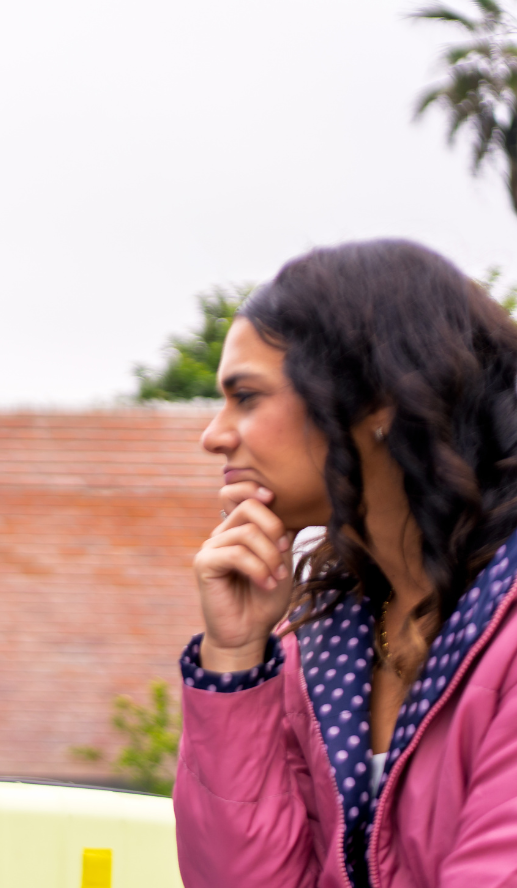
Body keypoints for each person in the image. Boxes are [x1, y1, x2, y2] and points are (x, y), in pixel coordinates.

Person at [176, 239, 517, 887]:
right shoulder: (322, 640)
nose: (214, 435)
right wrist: (236, 658)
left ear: (377, 397)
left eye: (246, 397)